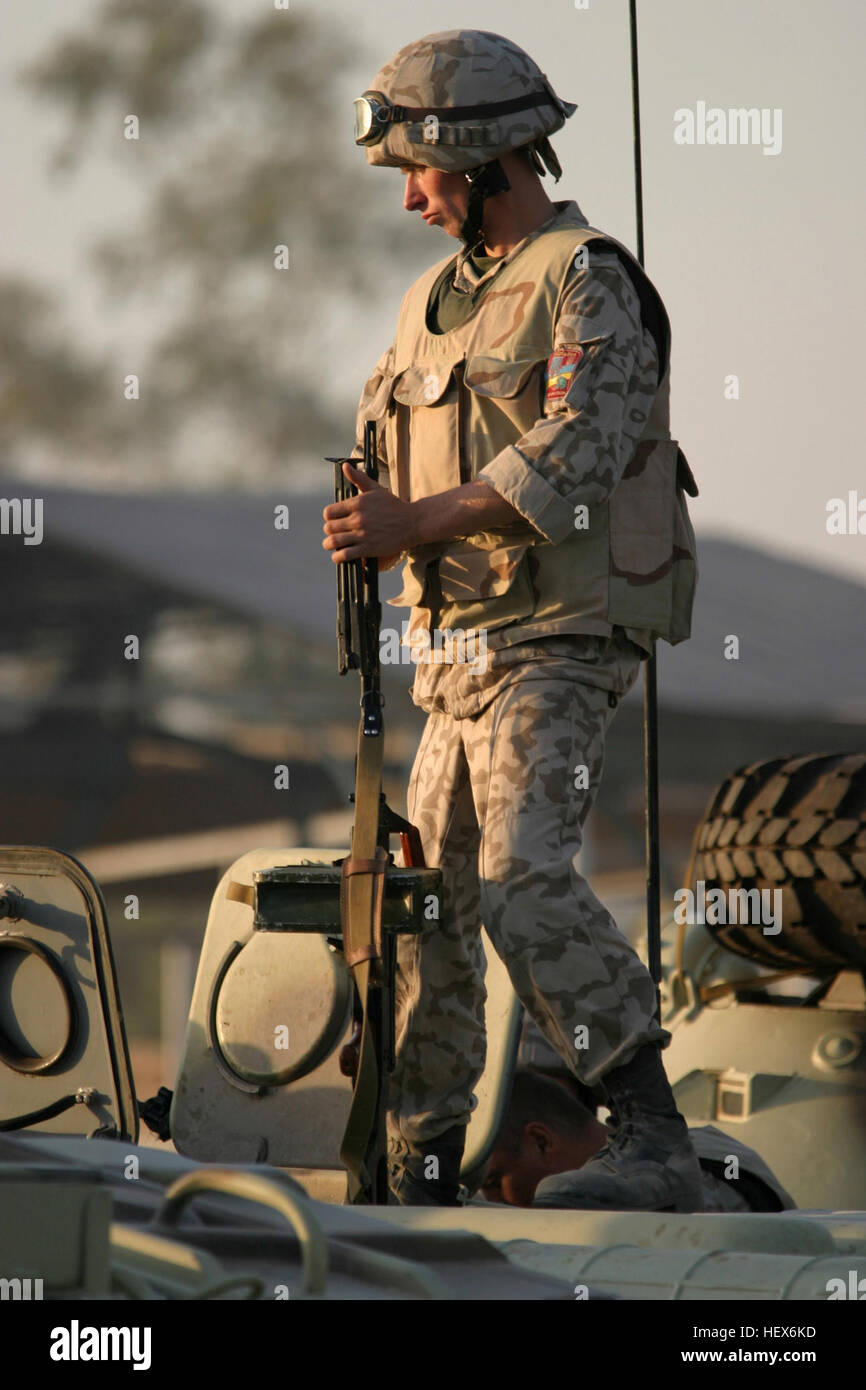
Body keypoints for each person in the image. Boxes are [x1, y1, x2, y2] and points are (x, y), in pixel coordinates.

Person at [321, 30, 699, 1209]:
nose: (412, 199)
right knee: (427, 905)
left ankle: (647, 1126)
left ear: (482, 159)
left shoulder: (585, 276)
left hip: (558, 637)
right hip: (451, 655)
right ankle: (422, 1151)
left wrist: (410, 519)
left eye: (419, 173)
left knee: (524, 875)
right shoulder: (427, 305)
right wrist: (369, 522)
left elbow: (577, 453)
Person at [479, 1070, 796, 1212]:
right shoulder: (700, 1148)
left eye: (494, 1182)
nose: (490, 1202)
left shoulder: (679, 1182)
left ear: (542, 1142)